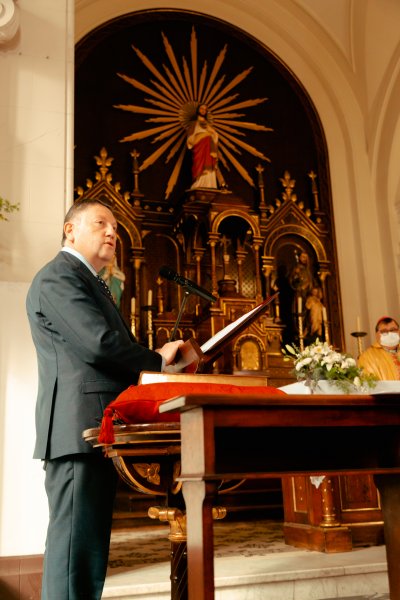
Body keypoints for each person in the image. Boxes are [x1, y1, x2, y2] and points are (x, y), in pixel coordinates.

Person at [26, 197, 183, 600]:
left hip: (95, 427)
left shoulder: (87, 280)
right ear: (70, 230)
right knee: (73, 556)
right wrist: (157, 361)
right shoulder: (59, 277)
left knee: (86, 554)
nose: (112, 231)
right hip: (78, 429)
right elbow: (98, 344)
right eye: (101, 223)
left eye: (115, 227)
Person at [187, 103, 220, 189]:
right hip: (199, 148)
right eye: (201, 108)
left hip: (208, 149)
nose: (203, 110)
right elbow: (190, 138)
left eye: (205, 109)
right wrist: (202, 136)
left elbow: (215, 135)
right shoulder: (194, 123)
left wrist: (210, 135)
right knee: (198, 165)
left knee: (208, 165)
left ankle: (209, 184)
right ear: (198, 110)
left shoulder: (207, 125)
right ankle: (198, 183)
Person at [358, 316, 400, 380]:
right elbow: (369, 383)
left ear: (399, 331)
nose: (389, 333)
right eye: (384, 331)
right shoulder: (367, 357)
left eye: (393, 330)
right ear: (377, 335)